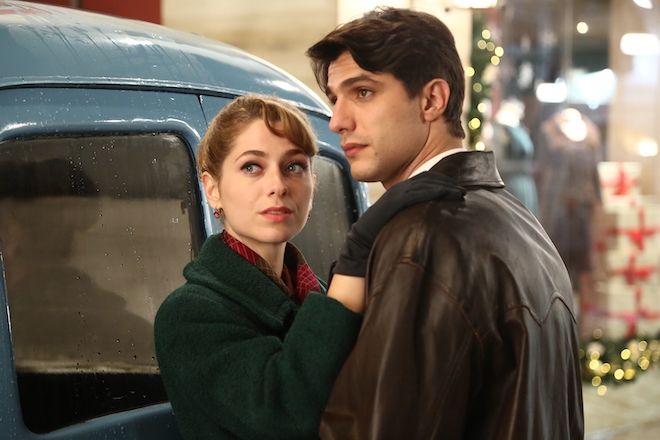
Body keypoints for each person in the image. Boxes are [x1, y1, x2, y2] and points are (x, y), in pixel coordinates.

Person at [306, 7, 584, 439]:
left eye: (362, 92)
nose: (338, 120)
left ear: (432, 99)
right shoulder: (516, 218)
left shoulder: (423, 235)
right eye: (335, 98)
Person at [153, 94, 465, 439]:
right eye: (252, 167)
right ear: (213, 189)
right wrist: (356, 255)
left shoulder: (314, 293)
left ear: (313, 185)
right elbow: (289, 412)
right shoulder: (188, 314)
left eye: (294, 166)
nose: (278, 185)